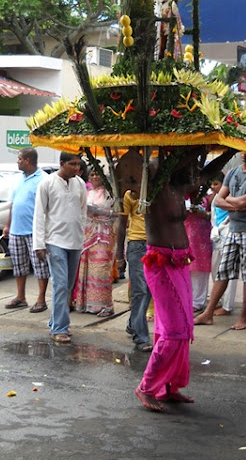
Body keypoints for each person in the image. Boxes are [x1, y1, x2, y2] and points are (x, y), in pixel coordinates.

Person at [135, 150, 207, 412]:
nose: (193, 172)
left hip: (180, 262)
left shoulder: (180, 187)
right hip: (161, 265)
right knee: (174, 332)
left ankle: (168, 387)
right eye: (189, 166)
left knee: (184, 329)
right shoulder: (156, 185)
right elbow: (162, 165)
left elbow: (204, 174)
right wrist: (189, 148)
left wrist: (224, 148)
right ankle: (146, 387)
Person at [194, 151, 246, 331]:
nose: (244, 154)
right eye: (242, 150)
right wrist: (237, 205)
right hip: (232, 228)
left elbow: (244, 201)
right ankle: (208, 313)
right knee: (224, 270)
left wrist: (231, 201)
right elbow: (218, 201)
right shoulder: (233, 172)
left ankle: (244, 316)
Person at [33, 152, 87, 344]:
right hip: (54, 241)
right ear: (62, 163)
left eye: (78, 164)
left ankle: (56, 322)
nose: (76, 168)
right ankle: (60, 328)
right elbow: (39, 214)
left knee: (68, 286)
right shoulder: (47, 183)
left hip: (75, 241)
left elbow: (83, 211)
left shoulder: (79, 184)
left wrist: (82, 236)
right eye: (72, 164)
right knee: (61, 284)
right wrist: (39, 244)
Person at [3, 148, 49, 313]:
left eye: (20, 159)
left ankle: (41, 299)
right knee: (19, 266)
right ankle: (20, 297)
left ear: (28, 160)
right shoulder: (19, 179)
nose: (18, 161)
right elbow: (13, 204)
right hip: (16, 230)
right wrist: (8, 225)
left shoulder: (43, 179)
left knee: (40, 266)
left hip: (34, 231)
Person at [73, 168, 116, 317]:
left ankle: (105, 305)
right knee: (86, 269)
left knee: (101, 270)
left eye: (97, 174)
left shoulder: (110, 194)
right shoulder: (86, 193)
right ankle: (87, 303)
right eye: (92, 174)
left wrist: (100, 212)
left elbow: (117, 214)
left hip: (104, 236)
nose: (95, 176)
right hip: (87, 235)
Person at [117, 188, 153, 353]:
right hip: (137, 244)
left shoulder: (157, 191)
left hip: (155, 243)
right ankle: (141, 337)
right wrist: (119, 255)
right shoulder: (129, 194)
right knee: (140, 290)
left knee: (149, 290)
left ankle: (133, 323)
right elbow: (122, 223)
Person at [209, 173, 238, 316]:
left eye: (216, 184)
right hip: (217, 236)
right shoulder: (216, 199)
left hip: (229, 234)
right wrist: (216, 229)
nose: (213, 187)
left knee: (229, 271)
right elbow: (214, 217)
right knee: (216, 269)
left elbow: (233, 215)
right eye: (212, 184)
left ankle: (227, 305)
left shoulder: (232, 197)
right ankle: (219, 299)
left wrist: (221, 228)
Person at [184, 187, 213, 313]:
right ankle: (187, 298)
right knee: (186, 267)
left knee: (200, 268)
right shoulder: (182, 194)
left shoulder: (208, 194)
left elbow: (216, 212)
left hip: (202, 235)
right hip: (185, 233)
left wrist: (205, 214)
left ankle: (197, 300)